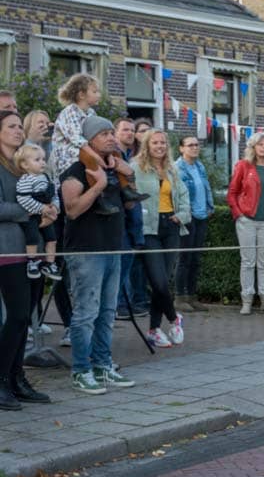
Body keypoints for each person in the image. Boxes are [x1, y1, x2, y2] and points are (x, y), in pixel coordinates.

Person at [60, 116, 136, 395]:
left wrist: (127, 172)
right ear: (89, 139)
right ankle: (81, 370)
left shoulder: (115, 168)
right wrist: (98, 186)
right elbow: (72, 209)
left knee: (107, 312)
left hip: (112, 249)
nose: (110, 137)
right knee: (86, 314)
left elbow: (129, 203)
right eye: (103, 133)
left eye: (110, 133)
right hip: (86, 253)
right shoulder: (75, 171)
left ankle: (103, 365)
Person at [0, 110, 50, 408]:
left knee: (25, 319)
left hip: (33, 250)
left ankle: (17, 378)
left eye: (20, 126)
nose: (19, 131)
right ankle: (2, 379)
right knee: (17, 316)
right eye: (11, 126)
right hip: (7, 250)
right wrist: (29, 211)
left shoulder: (22, 165)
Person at [49, 74, 144, 211]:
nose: (99, 94)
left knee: (116, 153)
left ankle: (126, 190)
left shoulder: (91, 113)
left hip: (85, 147)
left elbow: (96, 136)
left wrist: (110, 154)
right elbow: (77, 139)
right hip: (68, 151)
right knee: (90, 159)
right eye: (95, 91)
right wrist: (97, 157)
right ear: (82, 94)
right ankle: (100, 198)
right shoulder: (70, 112)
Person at [133, 129, 188, 348]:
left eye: (163, 143)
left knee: (164, 280)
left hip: (171, 226)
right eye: (155, 142)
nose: (160, 146)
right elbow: (131, 196)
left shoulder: (172, 169)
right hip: (148, 228)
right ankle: (175, 318)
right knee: (158, 281)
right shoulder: (136, 168)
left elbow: (184, 197)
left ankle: (154, 329)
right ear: (147, 145)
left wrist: (181, 216)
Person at [227, 132, 264, 316]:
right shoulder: (244, 166)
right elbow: (232, 192)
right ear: (253, 147)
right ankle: (247, 300)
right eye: (260, 144)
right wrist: (239, 214)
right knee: (247, 262)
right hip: (247, 221)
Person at [174, 136, 213, 312]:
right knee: (184, 258)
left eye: (197, 145)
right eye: (190, 145)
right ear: (181, 149)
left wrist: (209, 206)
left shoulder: (200, 166)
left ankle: (192, 296)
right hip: (187, 217)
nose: (195, 148)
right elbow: (175, 194)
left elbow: (206, 187)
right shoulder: (177, 168)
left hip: (201, 216)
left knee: (195, 259)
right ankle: (180, 297)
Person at [113, 118, 147, 320]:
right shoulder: (115, 155)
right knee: (122, 260)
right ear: (115, 132)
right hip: (121, 218)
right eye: (125, 130)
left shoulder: (129, 155)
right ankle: (119, 305)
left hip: (131, 217)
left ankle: (125, 302)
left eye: (132, 130)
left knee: (127, 261)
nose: (129, 133)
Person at [14, 144, 61, 280]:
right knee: (32, 238)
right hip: (33, 215)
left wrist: (55, 208)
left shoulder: (46, 177)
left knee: (52, 239)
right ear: (24, 165)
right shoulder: (25, 180)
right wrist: (41, 208)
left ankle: (50, 264)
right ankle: (32, 261)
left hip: (48, 212)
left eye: (43, 159)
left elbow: (54, 194)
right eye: (37, 160)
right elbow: (23, 198)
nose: (42, 162)